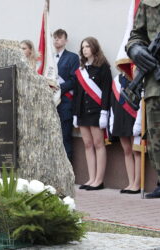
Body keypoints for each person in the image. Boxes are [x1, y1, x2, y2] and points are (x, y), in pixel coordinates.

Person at [126, 0, 160, 198]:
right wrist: (136, 49)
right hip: (155, 82)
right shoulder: (149, 1)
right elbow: (136, 35)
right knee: (156, 136)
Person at [73, 37, 112, 191]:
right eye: (83, 47)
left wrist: (104, 112)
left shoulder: (103, 67)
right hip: (82, 112)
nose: (85, 49)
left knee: (98, 144)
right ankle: (91, 178)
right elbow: (77, 94)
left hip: (96, 112)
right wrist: (76, 114)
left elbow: (107, 92)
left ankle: (99, 180)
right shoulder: (81, 70)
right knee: (87, 145)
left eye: (88, 46)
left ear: (94, 48)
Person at [109, 74, 141, 194]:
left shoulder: (136, 77)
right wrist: (112, 120)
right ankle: (131, 182)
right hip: (120, 116)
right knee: (127, 151)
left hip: (133, 116)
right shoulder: (118, 79)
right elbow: (113, 101)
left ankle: (137, 184)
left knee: (136, 151)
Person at [52, 29, 80, 163]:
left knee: (65, 137)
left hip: (65, 103)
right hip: (52, 103)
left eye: (59, 38)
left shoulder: (72, 57)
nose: (56, 40)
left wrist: (57, 88)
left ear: (65, 40)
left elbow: (74, 80)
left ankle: (68, 172)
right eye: (54, 38)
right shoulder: (50, 59)